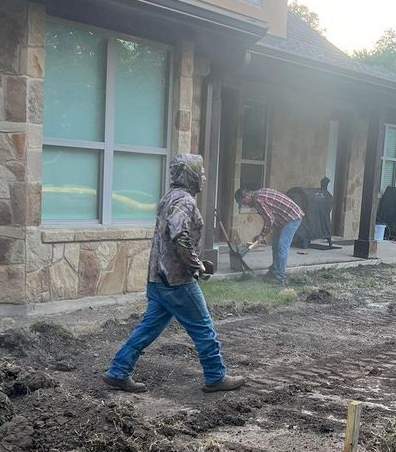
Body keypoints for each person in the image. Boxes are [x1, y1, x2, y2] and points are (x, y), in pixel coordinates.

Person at [103, 153, 244, 394]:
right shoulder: (185, 202)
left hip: (157, 278)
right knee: (203, 327)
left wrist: (197, 261)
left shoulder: (169, 198)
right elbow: (180, 237)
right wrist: (196, 265)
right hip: (176, 281)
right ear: (189, 175)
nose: (203, 177)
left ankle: (118, 372)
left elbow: (171, 238)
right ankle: (216, 376)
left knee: (147, 328)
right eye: (199, 172)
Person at [235, 186, 304, 287]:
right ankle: (274, 271)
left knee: (282, 246)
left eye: (244, 202)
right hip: (282, 219)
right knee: (275, 245)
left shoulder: (258, 200)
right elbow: (272, 215)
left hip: (292, 217)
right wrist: (261, 235)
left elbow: (269, 219)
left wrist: (262, 235)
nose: (245, 205)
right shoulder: (258, 194)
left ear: (247, 195)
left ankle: (280, 279)